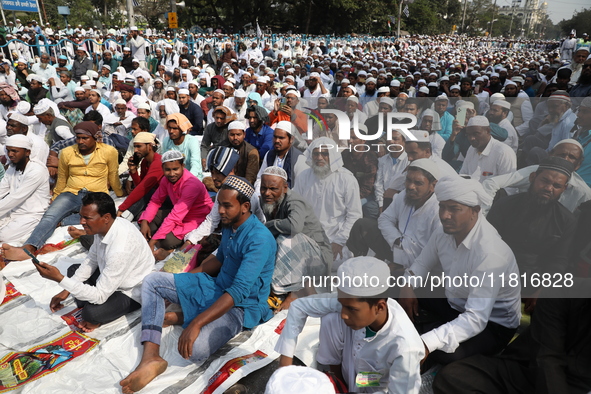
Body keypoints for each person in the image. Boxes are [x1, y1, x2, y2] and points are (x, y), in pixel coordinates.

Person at [120, 176, 276, 394]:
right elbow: (219, 259)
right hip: (216, 287)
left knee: (195, 349)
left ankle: (186, 317)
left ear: (245, 207)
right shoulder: (231, 225)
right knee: (153, 281)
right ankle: (151, 356)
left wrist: (196, 324)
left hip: (240, 307)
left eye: (226, 205)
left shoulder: (259, 239)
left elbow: (238, 292)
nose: (220, 210)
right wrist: (185, 281)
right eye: (219, 204)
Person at [399, 175, 521, 367]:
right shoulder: (444, 231)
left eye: (454, 209)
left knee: (446, 356)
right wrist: (407, 286)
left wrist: (427, 343)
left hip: (492, 325)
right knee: (395, 289)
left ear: (475, 211)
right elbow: (422, 264)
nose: (445, 215)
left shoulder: (490, 254)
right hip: (454, 302)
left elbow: (475, 318)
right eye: (442, 207)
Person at [275, 257, 425, 393]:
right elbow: (298, 307)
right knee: (331, 318)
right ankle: (338, 382)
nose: (344, 314)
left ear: (379, 307)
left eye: (351, 309)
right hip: (351, 371)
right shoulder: (355, 302)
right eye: (342, 304)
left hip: (379, 383)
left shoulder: (405, 346)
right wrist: (284, 370)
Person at [432, 280, 591, 394]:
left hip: (577, 387)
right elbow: (547, 359)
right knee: (453, 376)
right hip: (523, 371)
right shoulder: (562, 292)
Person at [33, 192, 154, 333]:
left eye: (87, 218)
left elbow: (100, 296)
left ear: (106, 218)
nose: (81, 222)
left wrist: (59, 279)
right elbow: (92, 259)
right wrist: (66, 290)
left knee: (91, 314)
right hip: (111, 277)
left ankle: (98, 309)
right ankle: (93, 302)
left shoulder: (120, 250)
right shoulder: (105, 228)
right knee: (73, 270)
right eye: (81, 216)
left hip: (131, 290)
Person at [2, 121, 124, 261]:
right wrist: (56, 196)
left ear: (94, 138)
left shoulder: (109, 151)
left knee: (101, 216)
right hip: (71, 192)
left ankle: (64, 221)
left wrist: (120, 193)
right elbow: (62, 178)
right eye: (78, 137)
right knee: (49, 216)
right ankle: (29, 248)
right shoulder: (67, 152)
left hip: (96, 194)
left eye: (85, 138)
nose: (81, 141)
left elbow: (113, 175)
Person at [486, 157, 577, 313]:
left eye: (556, 185)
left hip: (534, 282)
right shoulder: (505, 205)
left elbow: (559, 261)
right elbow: (486, 246)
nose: (549, 188)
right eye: (545, 181)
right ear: (532, 177)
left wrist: (543, 291)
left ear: (564, 188)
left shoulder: (566, 220)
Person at [260, 166, 332, 310]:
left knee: (286, 239)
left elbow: (294, 226)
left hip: (318, 259)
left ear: (285, 188)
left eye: (273, 189)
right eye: (263, 188)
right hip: (297, 261)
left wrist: (270, 225)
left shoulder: (295, 201)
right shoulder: (265, 201)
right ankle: (293, 290)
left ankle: (291, 294)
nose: (267, 193)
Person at [347, 159, 441, 268]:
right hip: (396, 246)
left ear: (433, 185)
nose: (410, 186)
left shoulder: (438, 210)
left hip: (421, 262)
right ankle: (354, 268)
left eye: (418, 183)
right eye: (408, 180)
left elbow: (435, 252)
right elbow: (384, 219)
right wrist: (396, 240)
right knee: (362, 225)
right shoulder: (404, 195)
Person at [293, 137, 362, 261]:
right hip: (306, 236)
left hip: (336, 239)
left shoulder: (347, 179)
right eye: (316, 153)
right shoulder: (303, 176)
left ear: (333, 154)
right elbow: (295, 207)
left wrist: (339, 242)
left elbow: (354, 215)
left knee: (332, 263)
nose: (319, 157)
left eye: (325, 153)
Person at [138, 150, 213, 261]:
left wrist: (153, 240)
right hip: (178, 213)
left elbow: (175, 216)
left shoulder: (191, 184)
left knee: (166, 241)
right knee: (144, 217)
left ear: (182, 166)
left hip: (196, 218)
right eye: (168, 170)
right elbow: (155, 201)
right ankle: (155, 235)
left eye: (175, 169)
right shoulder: (165, 180)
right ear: (162, 168)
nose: (172, 174)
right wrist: (145, 222)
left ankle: (167, 248)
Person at [482, 139, 591, 214]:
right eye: (561, 155)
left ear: (578, 165)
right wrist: (483, 216)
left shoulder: (583, 191)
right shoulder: (535, 171)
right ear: (550, 155)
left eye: (571, 157)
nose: (565, 159)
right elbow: (491, 183)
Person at [183, 146, 265, 245]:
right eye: (212, 173)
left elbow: (243, 232)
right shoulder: (223, 191)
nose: (213, 177)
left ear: (231, 170)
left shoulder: (244, 193)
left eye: (218, 173)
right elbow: (212, 221)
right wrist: (190, 241)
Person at [0, 134, 49, 244]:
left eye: (14, 151)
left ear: (27, 152)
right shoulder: (12, 167)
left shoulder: (37, 170)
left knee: (3, 237)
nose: (10, 154)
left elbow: (15, 198)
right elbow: (2, 189)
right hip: (11, 210)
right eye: (8, 151)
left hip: (31, 214)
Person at [117, 132, 163, 220]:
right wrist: (133, 171)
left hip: (166, 198)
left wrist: (122, 208)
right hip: (155, 198)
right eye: (135, 146)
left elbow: (142, 188)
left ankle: (123, 218)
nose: (135, 150)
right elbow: (140, 185)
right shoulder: (145, 162)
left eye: (139, 146)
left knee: (148, 191)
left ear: (149, 146)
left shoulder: (158, 162)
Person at [459, 116, 516, 183]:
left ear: (488, 131)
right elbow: (463, 175)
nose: (471, 138)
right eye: (468, 135)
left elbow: (508, 187)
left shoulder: (503, 152)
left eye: (476, 134)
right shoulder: (471, 149)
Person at [255, 121, 306, 189]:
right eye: (275, 137)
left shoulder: (299, 158)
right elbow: (260, 179)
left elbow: (300, 187)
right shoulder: (269, 154)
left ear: (291, 139)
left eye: (281, 138)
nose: (277, 141)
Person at [161, 113, 203, 179]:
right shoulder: (166, 141)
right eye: (169, 128)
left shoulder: (191, 141)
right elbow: (163, 162)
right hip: (172, 177)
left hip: (192, 177)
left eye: (175, 128)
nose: (171, 131)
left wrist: (186, 179)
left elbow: (195, 164)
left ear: (182, 129)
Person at [374, 130, 408, 210]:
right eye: (389, 139)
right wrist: (381, 204)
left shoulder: (409, 160)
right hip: (384, 199)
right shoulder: (382, 160)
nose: (391, 141)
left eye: (395, 139)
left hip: (402, 200)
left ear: (404, 142)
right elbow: (378, 184)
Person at [222, 121, 259, 185]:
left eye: (238, 135)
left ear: (244, 135)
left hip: (242, 185)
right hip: (225, 182)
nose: (235, 138)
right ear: (228, 134)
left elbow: (250, 179)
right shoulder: (222, 148)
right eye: (232, 135)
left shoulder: (251, 151)